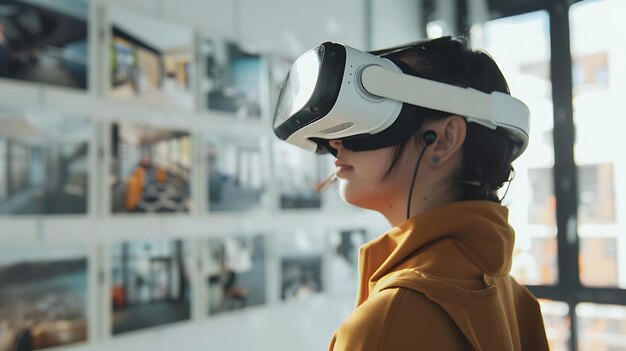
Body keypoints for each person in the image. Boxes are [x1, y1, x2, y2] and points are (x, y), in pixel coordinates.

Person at [320, 37, 550, 350]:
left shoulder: (390, 319)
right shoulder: (516, 299)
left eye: (373, 111)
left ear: (442, 140)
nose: (336, 142)